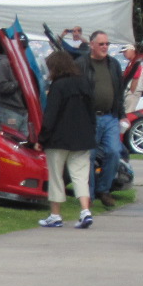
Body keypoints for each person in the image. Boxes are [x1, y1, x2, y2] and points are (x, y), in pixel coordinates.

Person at [36, 49, 96, 229]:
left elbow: (51, 115)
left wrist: (42, 138)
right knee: (80, 176)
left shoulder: (58, 85)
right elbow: (91, 112)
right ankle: (85, 211)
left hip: (59, 138)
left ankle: (55, 215)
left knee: (56, 176)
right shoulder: (84, 82)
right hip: (83, 138)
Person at [75, 29, 125, 208]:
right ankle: (88, 194)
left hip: (110, 116)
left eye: (107, 44)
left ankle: (104, 189)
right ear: (92, 45)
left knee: (113, 152)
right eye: (101, 44)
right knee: (89, 156)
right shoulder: (81, 64)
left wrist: (122, 115)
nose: (105, 47)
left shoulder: (113, 64)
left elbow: (119, 91)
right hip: (90, 118)